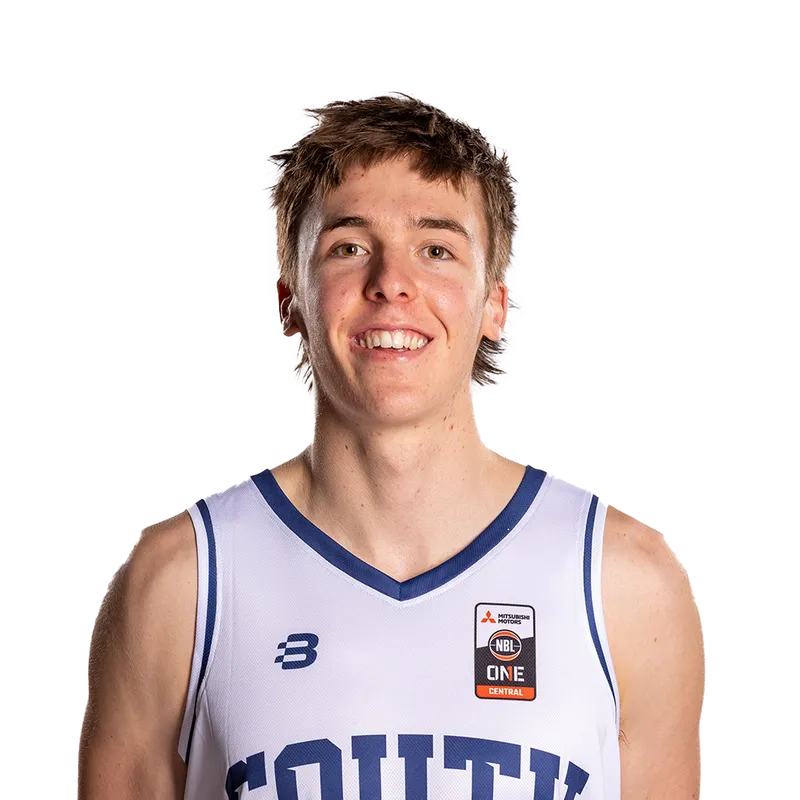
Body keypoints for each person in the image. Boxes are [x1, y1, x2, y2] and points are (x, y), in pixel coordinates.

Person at [77, 89, 705, 799]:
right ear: (289, 300)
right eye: (349, 247)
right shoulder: (180, 584)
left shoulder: (625, 584)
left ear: (494, 304)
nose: (391, 285)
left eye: (436, 249)